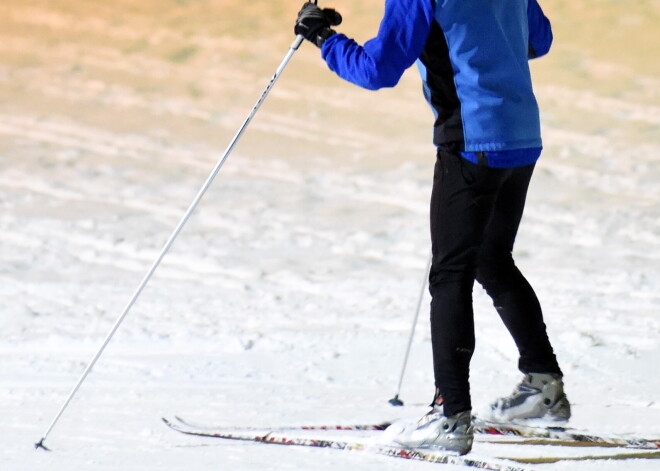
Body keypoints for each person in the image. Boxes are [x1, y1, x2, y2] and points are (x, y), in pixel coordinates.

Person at [294, 0, 570, 455]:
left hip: (471, 140)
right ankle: (543, 387)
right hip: (520, 133)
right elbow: (538, 41)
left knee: (450, 275)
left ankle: (451, 416)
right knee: (492, 261)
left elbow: (376, 71)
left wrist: (322, 37)